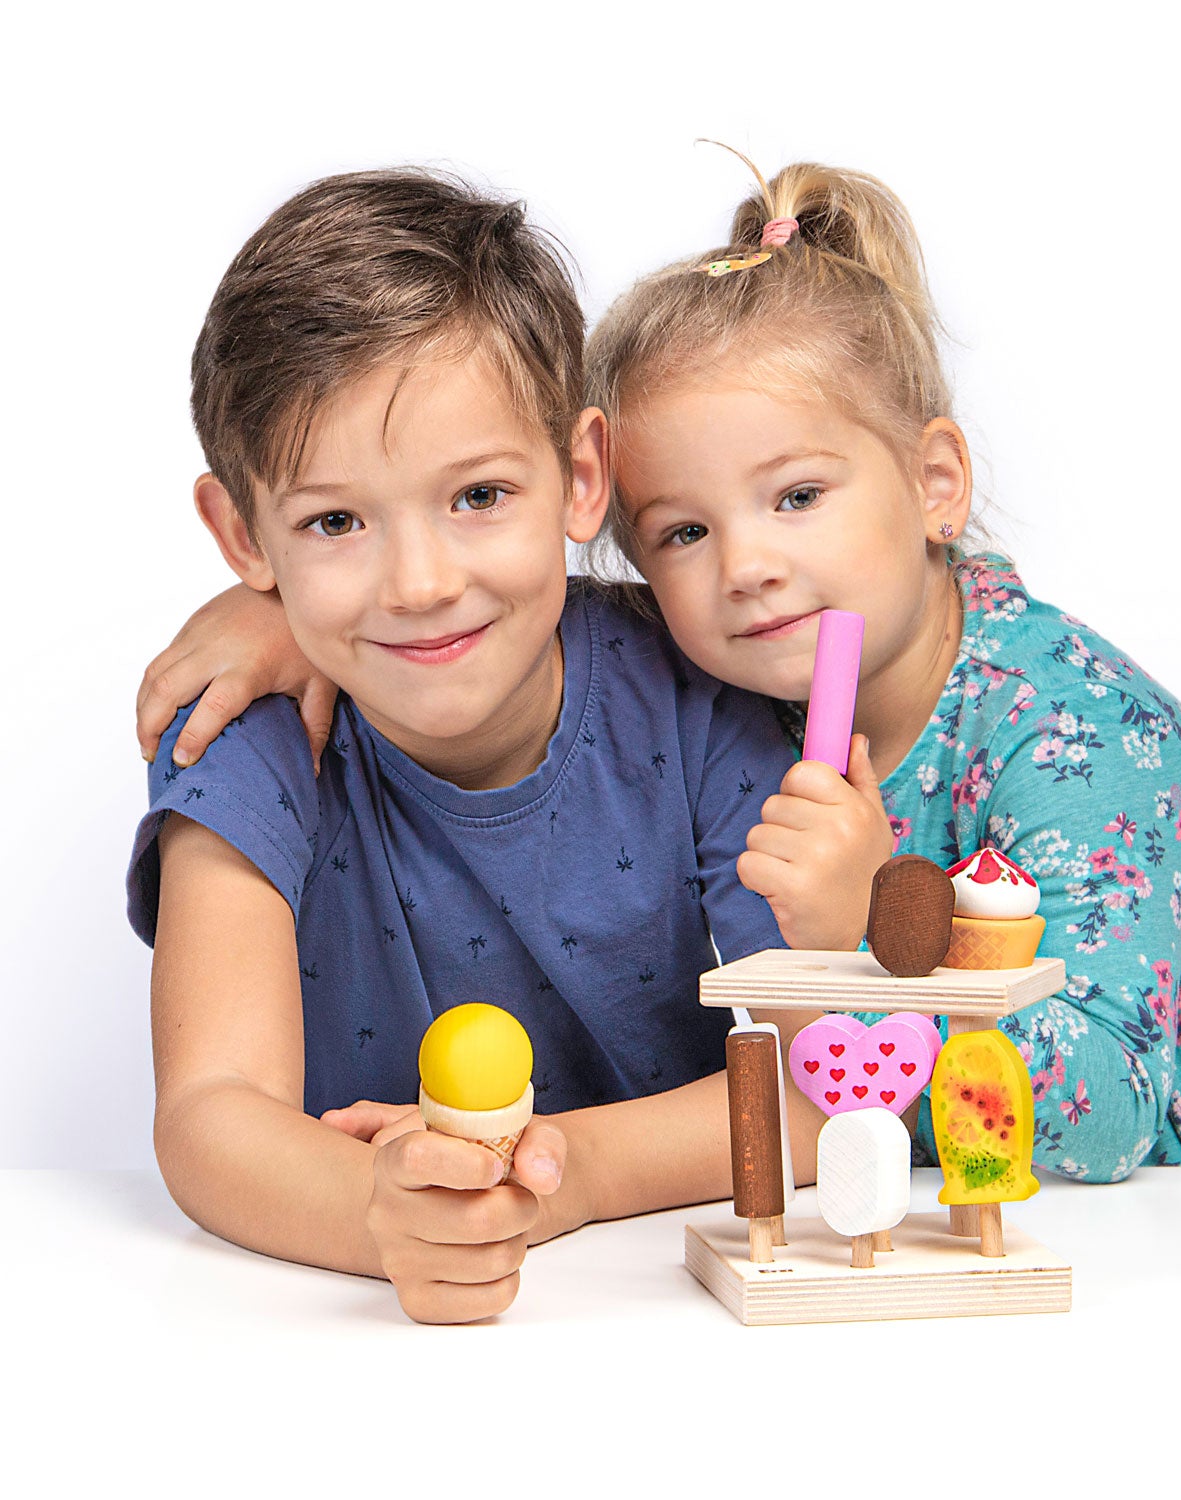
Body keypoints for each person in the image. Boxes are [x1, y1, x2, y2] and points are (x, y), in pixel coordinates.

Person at [141, 154, 1181, 1177]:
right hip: (957, 1225)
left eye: (800, 496)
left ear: (937, 481)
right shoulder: (720, 691)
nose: (746, 568)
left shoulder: (1074, 734)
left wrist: (866, 933)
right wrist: (274, 604)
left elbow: (1101, 1116)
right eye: (687, 531)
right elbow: (479, 577)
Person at [127, 167, 813, 1325]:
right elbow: (210, 1114)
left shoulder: (700, 699)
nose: (421, 583)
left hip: (674, 1315)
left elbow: (819, 1079)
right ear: (242, 534)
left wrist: (570, 1173)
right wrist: (378, 1214)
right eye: (335, 522)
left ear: (581, 476)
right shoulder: (244, 736)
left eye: (479, 495)